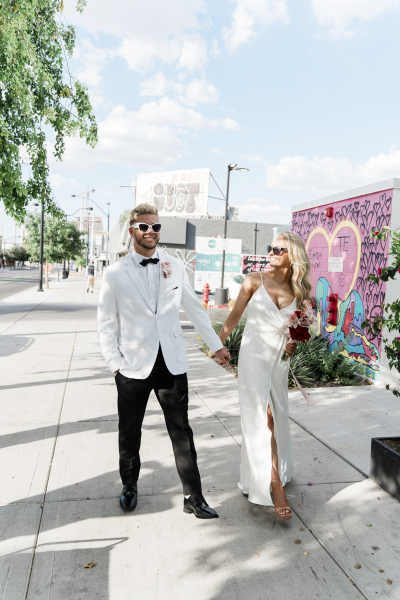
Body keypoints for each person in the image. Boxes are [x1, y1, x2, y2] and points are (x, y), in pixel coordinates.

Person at [97, 203, 230, 519]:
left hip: (171, 363)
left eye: (156, 227)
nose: (151, 232)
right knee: (130, 431)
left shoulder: (174, 265)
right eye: (144, 227)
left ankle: (193, 496)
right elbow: (106, 322)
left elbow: (195, 309)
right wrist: (114, 363)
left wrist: (217, 346)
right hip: (132, 366)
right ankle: (129, 486)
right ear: (132, 231)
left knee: (182, 431)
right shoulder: (115, 274)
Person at [218, 232, 312, 520]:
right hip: (253, 357)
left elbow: (303, 329)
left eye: (278, 249)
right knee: (263, 416)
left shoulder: (302, 293)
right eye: (270, 248)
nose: (271, 252)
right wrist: (218, 343)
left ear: (292, 255)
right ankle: (273, 483)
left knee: (278, 415)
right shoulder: (253, 280)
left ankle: (270, 473)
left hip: (279, 360)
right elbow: (234, 316)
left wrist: (296, 341)